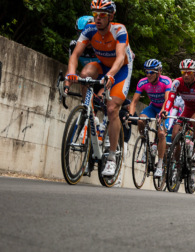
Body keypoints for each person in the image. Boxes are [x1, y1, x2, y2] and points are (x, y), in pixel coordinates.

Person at [65, 0, 134, 176]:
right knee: (85, 74)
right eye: (95, 14)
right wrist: (71, 75)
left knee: (112, 109)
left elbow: (119, 58)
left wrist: (110, 75)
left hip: (121, 69)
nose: (98, 18)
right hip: (102, 65)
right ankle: (89, 111)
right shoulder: (89, 29)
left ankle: (111, 157)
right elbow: (75, 54)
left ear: (111, 16)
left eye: (102, 15)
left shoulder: (119, 30)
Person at [161, 59, 195, 162]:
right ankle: (177, 165)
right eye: (183, 72)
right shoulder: (177, 82)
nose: (186, 75)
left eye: (189, 72)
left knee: (194, 121)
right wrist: (165, 110)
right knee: (175, 136)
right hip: (188, 108)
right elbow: (170, 99)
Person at [129, 59, 171, 177]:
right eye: (146, 72)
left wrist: (163, 112)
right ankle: (145, 144)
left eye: (151, 72)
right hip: (153, 107)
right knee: (141, 120)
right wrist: (131, 115)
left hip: (165, 107)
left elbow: (167, 100)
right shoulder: (142, 82)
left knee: (161, 134)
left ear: (158, 72)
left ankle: (160, 165)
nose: (148, 74)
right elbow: (134, 101)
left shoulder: (166, 81)